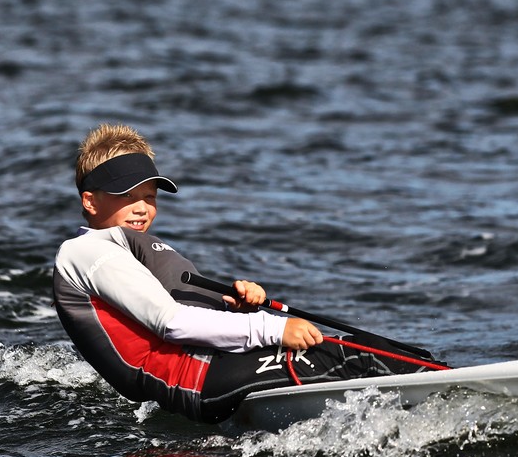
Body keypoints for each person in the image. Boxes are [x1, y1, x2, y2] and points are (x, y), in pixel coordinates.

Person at [53, 124, 438, 424]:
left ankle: (442, 383)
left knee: (362, 348)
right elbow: (169, 322)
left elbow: (168, 312)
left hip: (212, 368)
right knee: (348, 357)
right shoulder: (86, 251)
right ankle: (452, 395)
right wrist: (272, 329)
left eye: (150, 197)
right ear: (90, 201)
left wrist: (237, 310)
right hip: (195, 379)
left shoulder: (129, 250)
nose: (142, 208)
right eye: (127, 196)